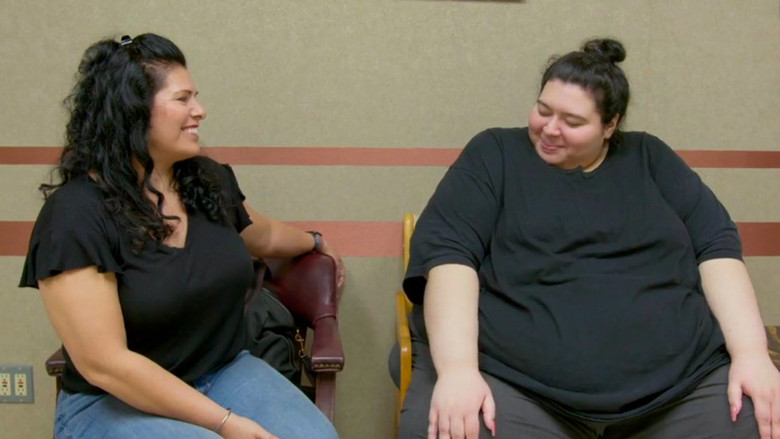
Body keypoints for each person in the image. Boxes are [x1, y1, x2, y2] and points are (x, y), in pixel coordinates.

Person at [400, 38, 780, 439]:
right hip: (517, 388)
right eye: (543, 110)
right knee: (450, 428)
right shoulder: (494, 153)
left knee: (764, 417)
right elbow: (450, 255)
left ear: (610, 125)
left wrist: (752, 355)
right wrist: (458, 370)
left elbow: (716, 247)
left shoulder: (650, 158)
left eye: (573, 121)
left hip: (680, 388)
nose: (550, 129)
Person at [19, 33, 344, 439]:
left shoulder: (205, 181)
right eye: (183, 99)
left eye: (196, 98)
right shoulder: (74, 215)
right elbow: (106, 364)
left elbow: (264, 234)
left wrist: (314, 242)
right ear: (132, 110)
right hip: (112, 400)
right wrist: (225, 423)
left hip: (221, 371)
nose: (200, 111)